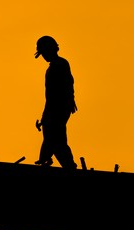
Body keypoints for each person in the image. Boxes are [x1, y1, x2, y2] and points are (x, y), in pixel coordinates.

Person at [34, 35, 78, 170]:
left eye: (44, 53)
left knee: (55, 137)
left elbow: (57, 92)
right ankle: (46, 158)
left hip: (58, 107)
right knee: (55, 138)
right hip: (58, 107)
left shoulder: (59, 65)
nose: (44, 56)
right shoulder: (58, 65)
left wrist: (48, 114)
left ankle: (53, 161)